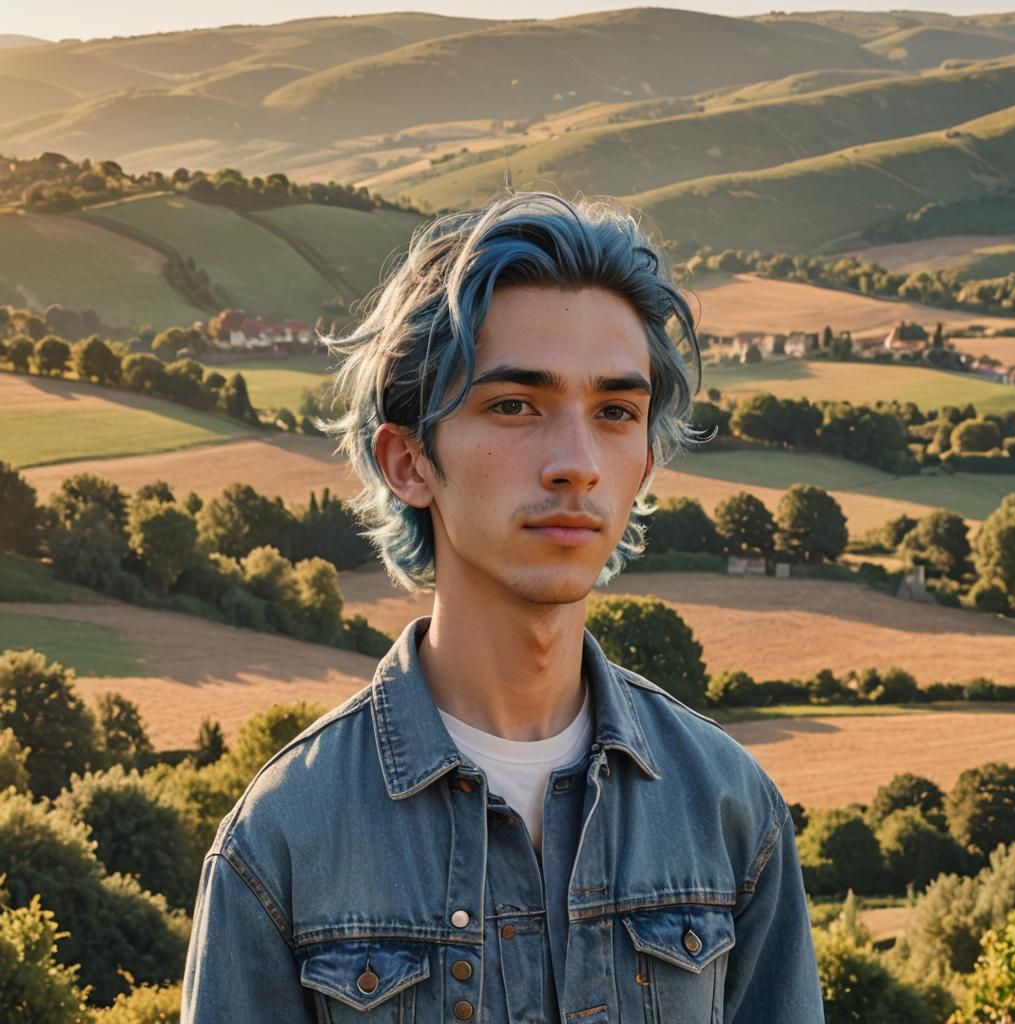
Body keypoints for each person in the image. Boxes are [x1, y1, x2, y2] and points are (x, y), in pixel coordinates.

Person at [182, 192, 824, 1023]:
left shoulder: (732, 811)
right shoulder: (281, 844)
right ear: (409, 461)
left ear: (645, 464)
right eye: (515, 405)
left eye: (616, 413)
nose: (576, 462)